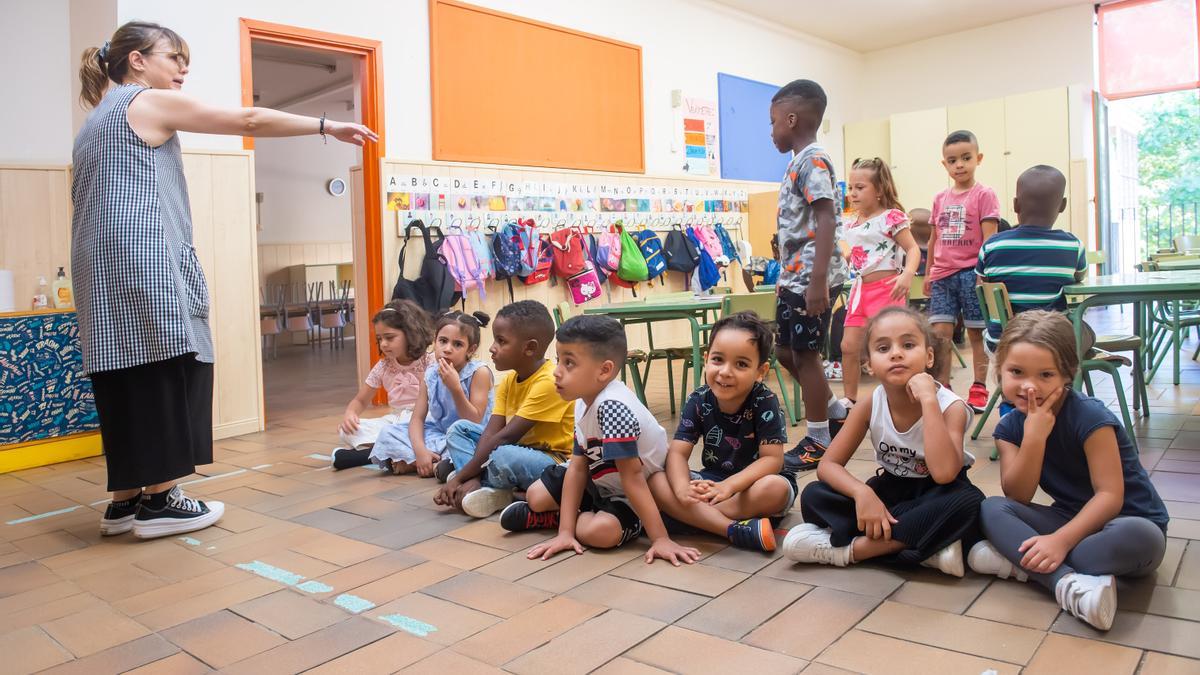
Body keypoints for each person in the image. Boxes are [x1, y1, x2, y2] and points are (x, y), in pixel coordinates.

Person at [76, 21, 375, 539]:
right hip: (143, 260)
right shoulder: (142, 101)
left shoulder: (92, 122)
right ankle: (162, 499)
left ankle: (124, 501)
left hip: (98, 270)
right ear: (138, 61)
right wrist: (326, 126)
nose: (183, 68)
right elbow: (249, 118)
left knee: (123, 372)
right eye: (174, 57)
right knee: (165, 363)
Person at [970, 311, 1168, 631]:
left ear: (1067, 375)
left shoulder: (1090, 417)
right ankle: (1064, 583)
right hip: (1069, 518)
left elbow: (1110, 496)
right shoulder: (1008, 429)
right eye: (1017, 372)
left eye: (1045, 375)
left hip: (1125, 523)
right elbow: (1017, 494)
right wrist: (1034, 437)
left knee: (1142, 537)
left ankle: (1021, 564)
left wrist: (1059, 541)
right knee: (991, 508)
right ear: (999, 370)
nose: (1029, 386)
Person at [784, 306, 983, 576]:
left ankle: (853, 551)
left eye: (908, 344)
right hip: (891, 493)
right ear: (869, 365)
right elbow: (828, 465)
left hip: (937, 492)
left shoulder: (951, 407)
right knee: (814, 496)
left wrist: (928, 401)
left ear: (929, 356)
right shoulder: (870, 404)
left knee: (969, 502)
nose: (896, 353)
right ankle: (927, 550)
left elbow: (945, 474)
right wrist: (863, 494)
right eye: (883, 348)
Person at [502, 315, 703, 566]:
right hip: (600, 481)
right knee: (535, 496)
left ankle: (582, 517)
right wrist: (564, 533)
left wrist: (660, 539)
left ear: (604, 370)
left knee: (600, 533)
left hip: (635, 493)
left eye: (569, 363)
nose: (556, 371)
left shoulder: (613, 407)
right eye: (558, 360)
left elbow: (633, 477)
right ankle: (562, 519)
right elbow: (577, 466)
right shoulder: (582, 399)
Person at [648, 312, 793, 552]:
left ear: (761, 371)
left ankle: (688, 518)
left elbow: (772, 460)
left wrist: (730, 486)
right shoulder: (699, 399)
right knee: (656, 479)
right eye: (718, 360)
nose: (725, 371)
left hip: (750, 487)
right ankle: (730, 528)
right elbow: (677, 454)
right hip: (712, 481)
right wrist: (683, 487)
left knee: (774, 488)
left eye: (741, 364)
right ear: (706, 360)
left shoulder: (764, 400)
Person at [768, 79, 850, 472]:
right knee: (785, 351)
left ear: (792, 118)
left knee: (806, 354)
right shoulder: (798, 162)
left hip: (811, 279)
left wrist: (818, 281)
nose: (771, 132)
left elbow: (827, 217)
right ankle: (835, 410)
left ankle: (819, 437)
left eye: (773, 123)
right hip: (794, 275)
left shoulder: (814, 159)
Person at [435, 300, 574, 518]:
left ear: (529, 348)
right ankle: (483, 484)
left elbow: (505, 437)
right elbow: (491, 432)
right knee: (459, 430)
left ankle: (481, 483)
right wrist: (466, 476)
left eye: (501, 341)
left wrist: (459, 477)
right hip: (514, 446)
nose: (492, 348)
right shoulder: (509, 379)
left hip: (551, 461)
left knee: (503, 454)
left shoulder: (548, 382)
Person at [923, 130, 1001, 412]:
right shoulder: (939, 199)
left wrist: (984, 273)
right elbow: (933, 238)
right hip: (943, 275)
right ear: (944, 164)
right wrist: (930, 270)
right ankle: (943, 387)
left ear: (978, 159)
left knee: (976, 333)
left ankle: (979, 386)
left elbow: (990, 240)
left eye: (966, 158)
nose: (960, 165)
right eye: (952, 160)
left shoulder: (984, 195)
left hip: (972, 273)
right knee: (940, 333)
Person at [976, 165, 1090, 354]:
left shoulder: (991, 246)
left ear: (1015, 205)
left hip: (1002, 342)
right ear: (1062, 205)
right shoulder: (1072, 245)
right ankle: (1065, 382)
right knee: (1084, 332)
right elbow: (1079, 276)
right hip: (1052, 343)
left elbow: (982, 284)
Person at [370, 311, 494, 478]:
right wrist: (420, 451)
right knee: (388, 432)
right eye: (443, 341)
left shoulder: (479, 373)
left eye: (457, 344)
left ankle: (417, 463)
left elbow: (474, 420)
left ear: (470, 350)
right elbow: (417, 418)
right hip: (439, 433)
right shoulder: (430, 373)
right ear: (435, 341)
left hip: (468, 437)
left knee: (470, 449)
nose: (447, 349)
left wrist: (455, 388)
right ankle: (428, 463)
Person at [839, 158, 922, 409]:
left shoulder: (890, 217)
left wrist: (908, 273)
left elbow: (913, 248)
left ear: (879, 190)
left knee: (891, 346)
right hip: (860, 291)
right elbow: (861, 252)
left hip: (887, 290)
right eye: (850, 187)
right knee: (848, 346)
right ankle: (850, 399)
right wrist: (847, 257)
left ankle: (900, 393)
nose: (852, 193)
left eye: (860, 187)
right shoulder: (851, 222)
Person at [332, 301, 434, 469]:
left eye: (390, 337)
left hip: (424, 420)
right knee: (348, 431)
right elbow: (360, 400)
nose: (384, 344)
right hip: (396, 421)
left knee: (414, 433)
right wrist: (350, 414)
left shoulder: (429, 361)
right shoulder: (383, 366)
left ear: (410, 334)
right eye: (380, 339)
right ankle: (391, 452)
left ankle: (369, 456)